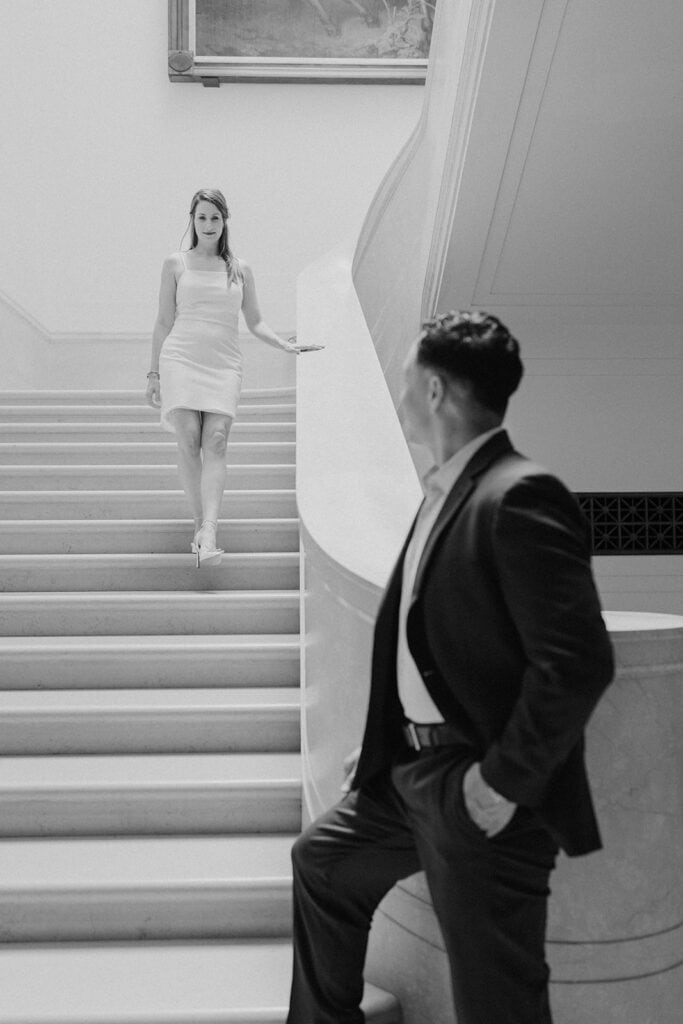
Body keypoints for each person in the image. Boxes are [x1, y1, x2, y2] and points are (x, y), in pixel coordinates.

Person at [287, 311, 615, 1024]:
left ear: (434, 390)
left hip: (478, 791)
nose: (399, 392)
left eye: (406, 379)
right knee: (322, 864)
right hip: (408, 780)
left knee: (497, 1000)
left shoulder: (519, 493)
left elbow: (578, 662)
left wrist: (499, 785)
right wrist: (385, 745)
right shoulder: (440, 494)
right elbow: (427, 645)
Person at [146, 188, 320, 566]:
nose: (208, 225)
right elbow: (163, 321)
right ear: (192, 220)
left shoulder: (239, 268)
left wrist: (285, 345)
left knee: (218, 441)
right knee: (189, 439)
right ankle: (200, 528)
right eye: (202, 217)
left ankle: (210, 530)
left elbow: (254, 320)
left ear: (225, 221)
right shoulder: (175, 264)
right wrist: (154, 373)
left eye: (215, 218)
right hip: (181, 357)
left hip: (223, 363)